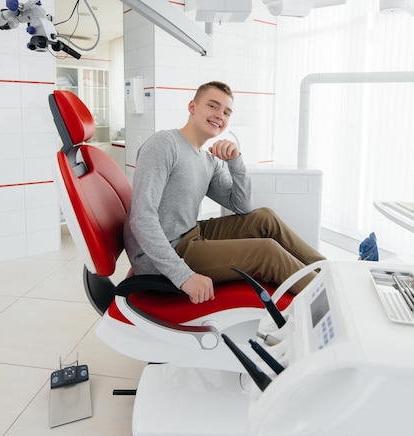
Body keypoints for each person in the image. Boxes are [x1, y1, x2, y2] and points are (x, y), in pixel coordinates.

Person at [123, 81, 326, 304]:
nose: (220, 115)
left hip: (189, 233)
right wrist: (184, 276)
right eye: (213, 106)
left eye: (227, 111)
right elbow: (141, 218)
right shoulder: (164, 144)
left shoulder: (207, 159)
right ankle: (328, 296)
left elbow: (243, 207)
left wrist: (235, 162)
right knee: (266, 251)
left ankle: (330, 271)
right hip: (165, 251)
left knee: (264, 218)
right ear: (192, 107)